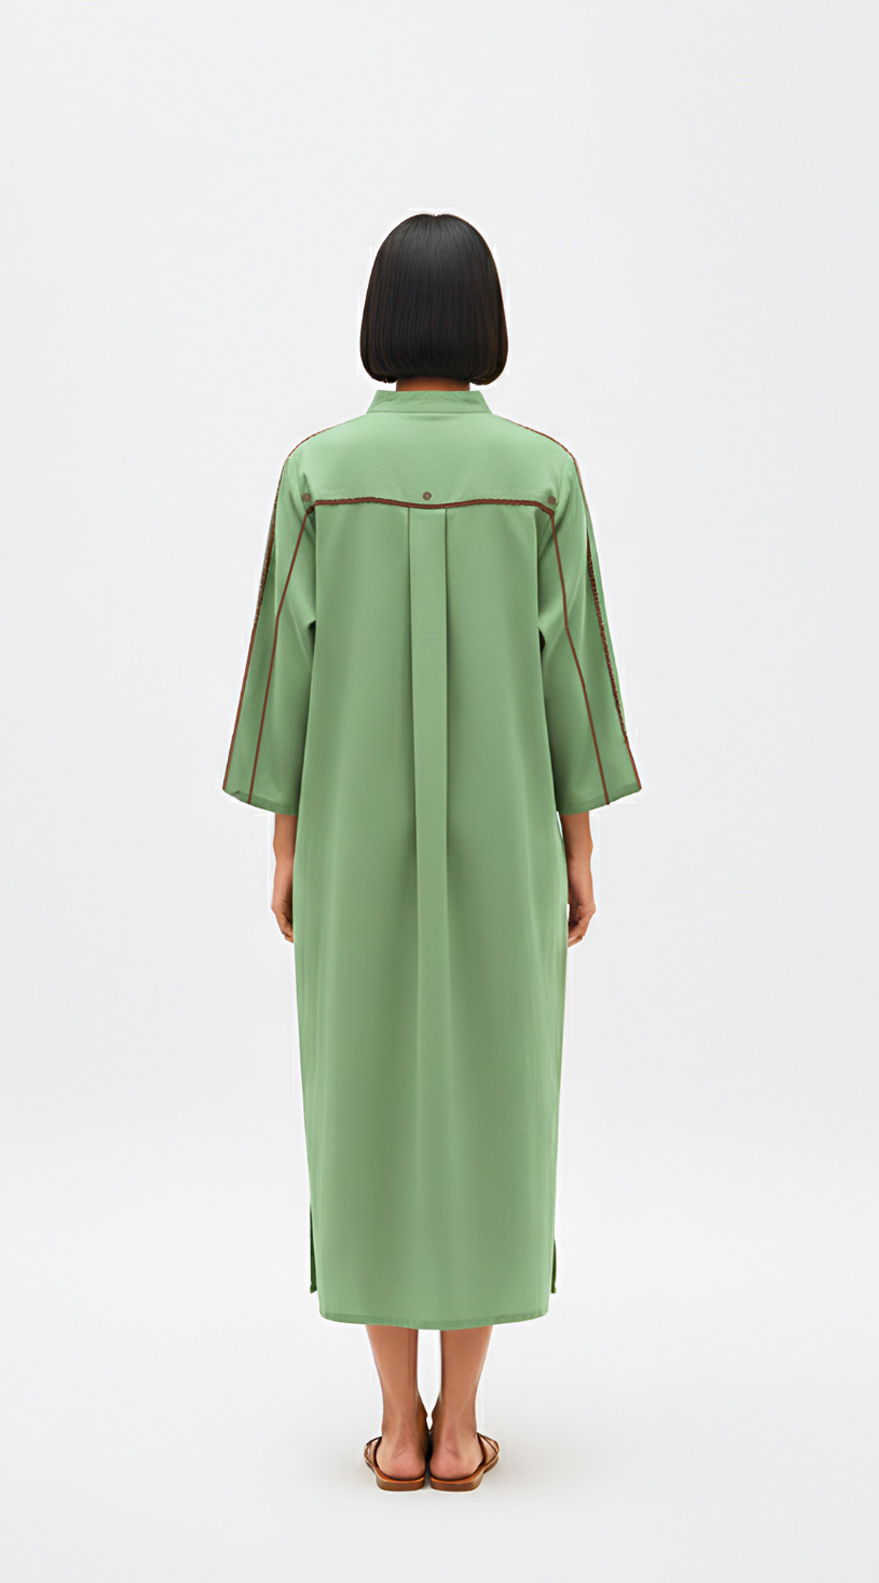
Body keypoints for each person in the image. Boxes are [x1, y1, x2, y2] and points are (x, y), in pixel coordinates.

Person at [222, 213, 640, 1492]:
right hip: (505, 836)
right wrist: (575, 841)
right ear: (485, 324)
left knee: (361, 1100)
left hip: (349, 841)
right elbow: (572, 675)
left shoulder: (316, 474)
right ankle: (461, 1428)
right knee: (495, 1099)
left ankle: (393, 1429)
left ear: (382, 321)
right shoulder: (541, 476)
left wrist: (287, 841)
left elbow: (283, 675)